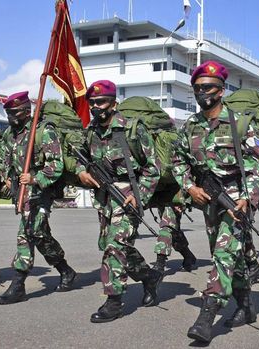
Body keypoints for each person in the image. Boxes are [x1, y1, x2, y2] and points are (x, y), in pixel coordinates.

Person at [173, 60, 259, 343]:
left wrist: (248, 199)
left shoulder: (241, 124)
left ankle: (206, 315)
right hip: (208, 201)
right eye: (198, 88)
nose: (203, 93)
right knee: (228, 254)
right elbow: (178, 161)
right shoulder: (190, 126)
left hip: (235, 200)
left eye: (208, 87)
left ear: (222, 90)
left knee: (223, 254)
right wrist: (189, 187)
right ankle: (247, 305)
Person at [75, 80, 163, 323]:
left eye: (101, 102)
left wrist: (139, 195)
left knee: (114, 247)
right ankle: (149, 277)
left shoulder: (132, 129)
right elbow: (82, 156)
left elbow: (153, 168)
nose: (96, 106)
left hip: (128, 196)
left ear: (114, 103)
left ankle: (113, 301)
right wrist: (81, 171)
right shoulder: (92, 130)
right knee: (114, 245)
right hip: (104, 198)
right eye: (91, 103)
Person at [0, 91, 76, 305]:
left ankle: (18, 284)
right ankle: (65, 269)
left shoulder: (42, 131)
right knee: (40, 234)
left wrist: (35, 178)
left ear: (27, 111)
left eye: (15, 112)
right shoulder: (9, 135)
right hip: (21, 192)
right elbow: (3, 160)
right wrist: (7, 179)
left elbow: (55, 164)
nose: (12, 117)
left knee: (27, 233)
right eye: (9, 113)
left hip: (41, 191)